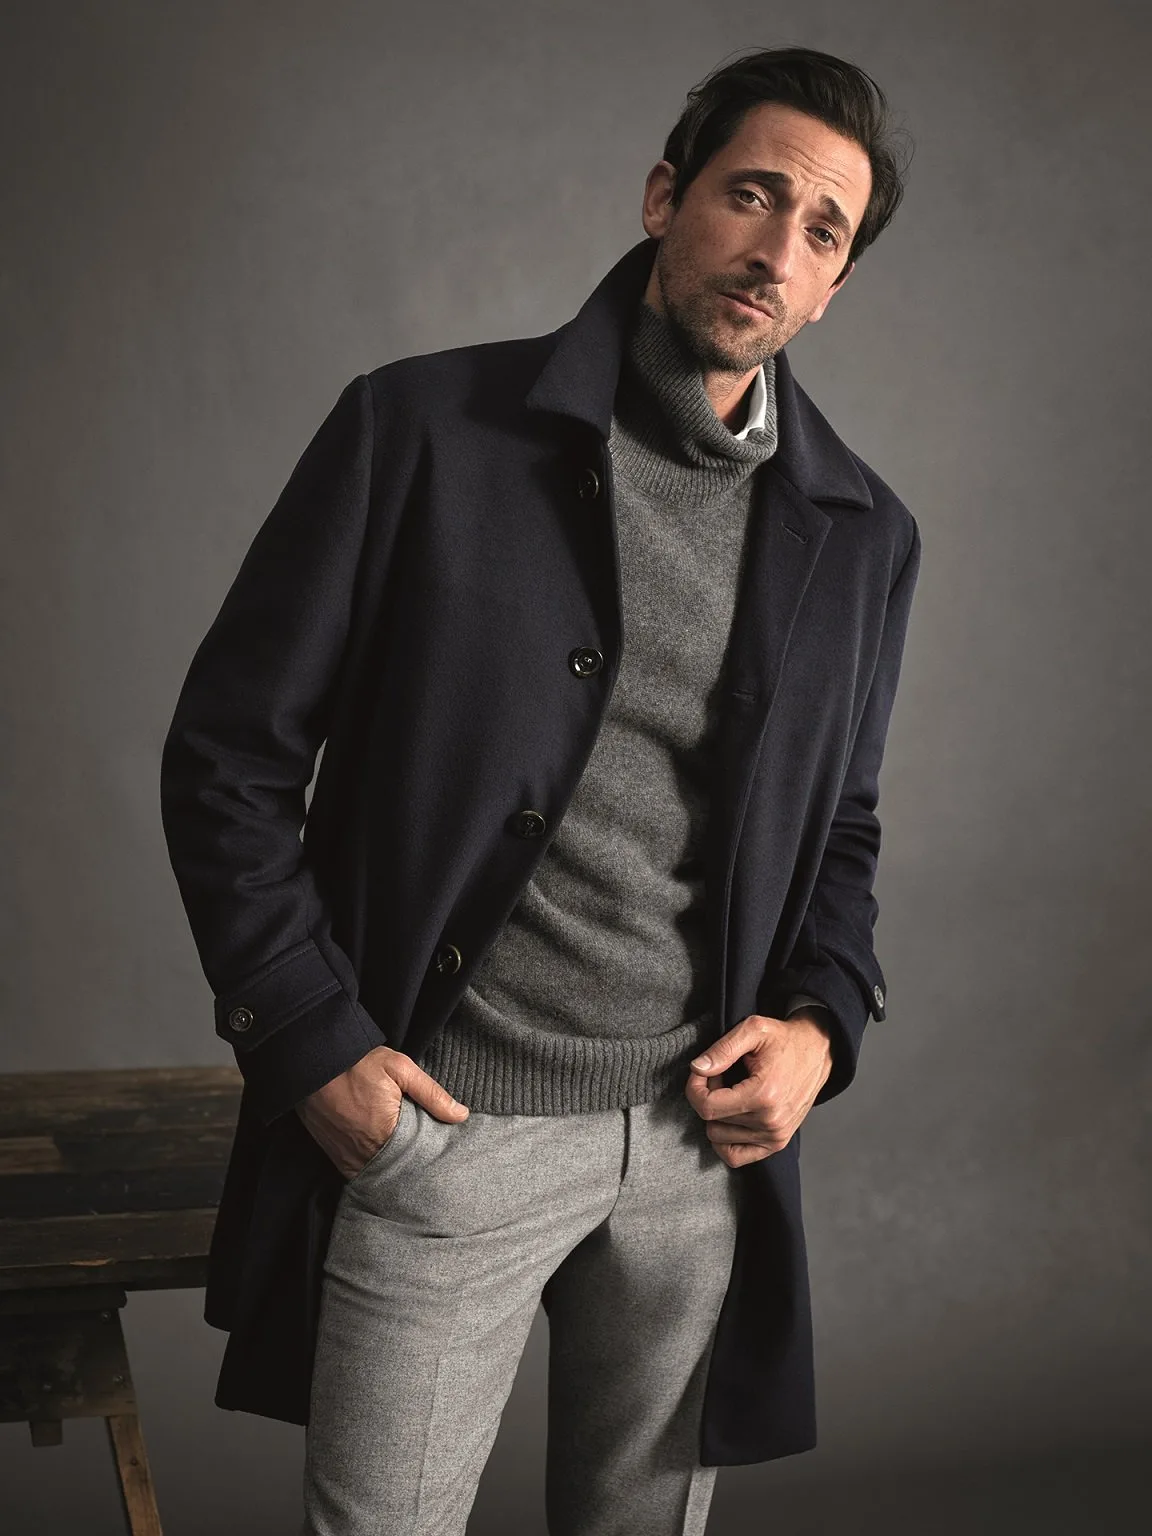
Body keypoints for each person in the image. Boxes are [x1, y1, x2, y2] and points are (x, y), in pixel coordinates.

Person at [160, 43, 920, 1536]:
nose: (777, 249)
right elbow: (228, 756)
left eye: (823, 230)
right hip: (446, 1130)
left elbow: (844, 825)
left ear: (835, 284)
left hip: (695, 1152)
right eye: (752, 195)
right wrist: (311, 1044)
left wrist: (823, 1028)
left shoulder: (861, 535)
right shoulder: (420, 431)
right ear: (664, 197)